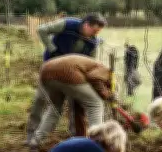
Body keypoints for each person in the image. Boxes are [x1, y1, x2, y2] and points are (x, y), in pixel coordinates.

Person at [26, 13, 107, 144]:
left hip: (72, 74)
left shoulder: (92, 43)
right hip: (50, 67)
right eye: (94, 30)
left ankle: (73, 135)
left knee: (71, 104)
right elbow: (42, 30)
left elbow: (91, 64)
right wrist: (52, 49)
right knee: (40, 100)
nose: (94, 35)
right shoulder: (67, 24)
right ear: (86, 24)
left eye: (97, 32)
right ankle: (31, 133)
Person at [28, 54, 114, 152]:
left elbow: (79, 97)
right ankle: (97, 143)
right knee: (95, 103)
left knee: (54, 109)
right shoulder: (106, 71)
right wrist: (106, 94)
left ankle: (35, 141)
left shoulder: (89, 65)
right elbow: (94, 77)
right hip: (68, 73)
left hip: (46, 72)